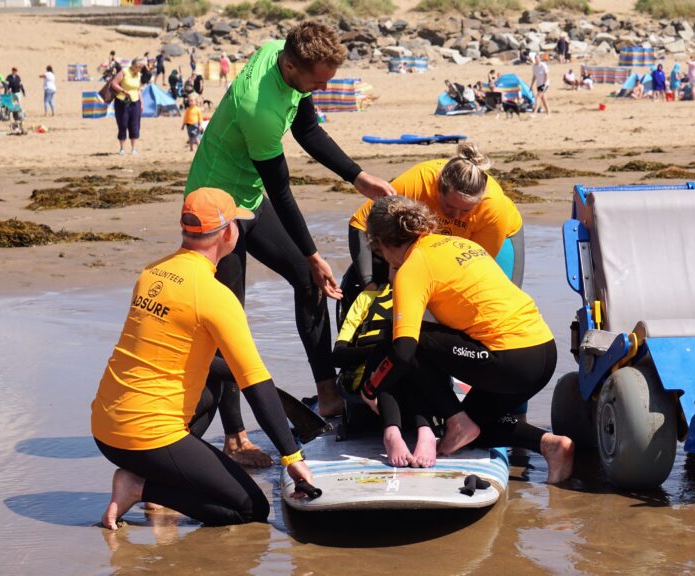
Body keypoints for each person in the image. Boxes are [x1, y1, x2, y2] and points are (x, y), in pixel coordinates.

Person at [184, 21, 396, 464]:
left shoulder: (285, 56)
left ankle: (328, 394)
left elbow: (307, 130)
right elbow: (281, 189)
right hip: (216, 207)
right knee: (228, 321)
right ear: (291, 65)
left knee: (306, 280)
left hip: (248, 194)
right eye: (317, 81)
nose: (322, 87)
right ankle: (235, 437)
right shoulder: (258, 107)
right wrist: (314, 253)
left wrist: (357, 177)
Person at [92, 186, 315, 530]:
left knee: (210, 391)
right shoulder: (215, 296)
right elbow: (254, 380)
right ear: (227, 233)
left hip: (106, 430)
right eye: (237, 225)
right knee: (249, 509)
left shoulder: (152, 273)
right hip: (144, 436)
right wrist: (292, 458)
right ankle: (139, 485)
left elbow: (176, 354)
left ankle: (149, 472)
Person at [359, 196, 574, 481]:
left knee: (400, 338)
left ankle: (455, 419)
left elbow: (403, 352)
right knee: (477, 429)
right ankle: (550, 444)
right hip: (543, 350)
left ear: (382, 244)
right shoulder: (459, 244)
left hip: (509, 359)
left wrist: (371, 388)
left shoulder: (412, 267)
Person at [347, 142, 524, 296]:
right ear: (437, 188)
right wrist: (368, 284)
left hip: (499, 237)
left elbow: (471, 270)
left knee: (502, 298)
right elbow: (359, 224)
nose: (454, 216)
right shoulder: (419, 181)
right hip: (430, 241)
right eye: (448, 206)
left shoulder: (494, 208)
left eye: (466, 210)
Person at [107, 57, 145, 155]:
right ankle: (122, 149)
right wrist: (123, 91)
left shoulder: (139, 74)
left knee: (135, 125)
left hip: (135, 102)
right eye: (140, 67)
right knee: (123, 124)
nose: (141, 69)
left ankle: (133, 149)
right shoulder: (124, 72)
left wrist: (141, 102)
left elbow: (138, 89)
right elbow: (113, 83)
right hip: (122, 101)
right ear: (135, 66)